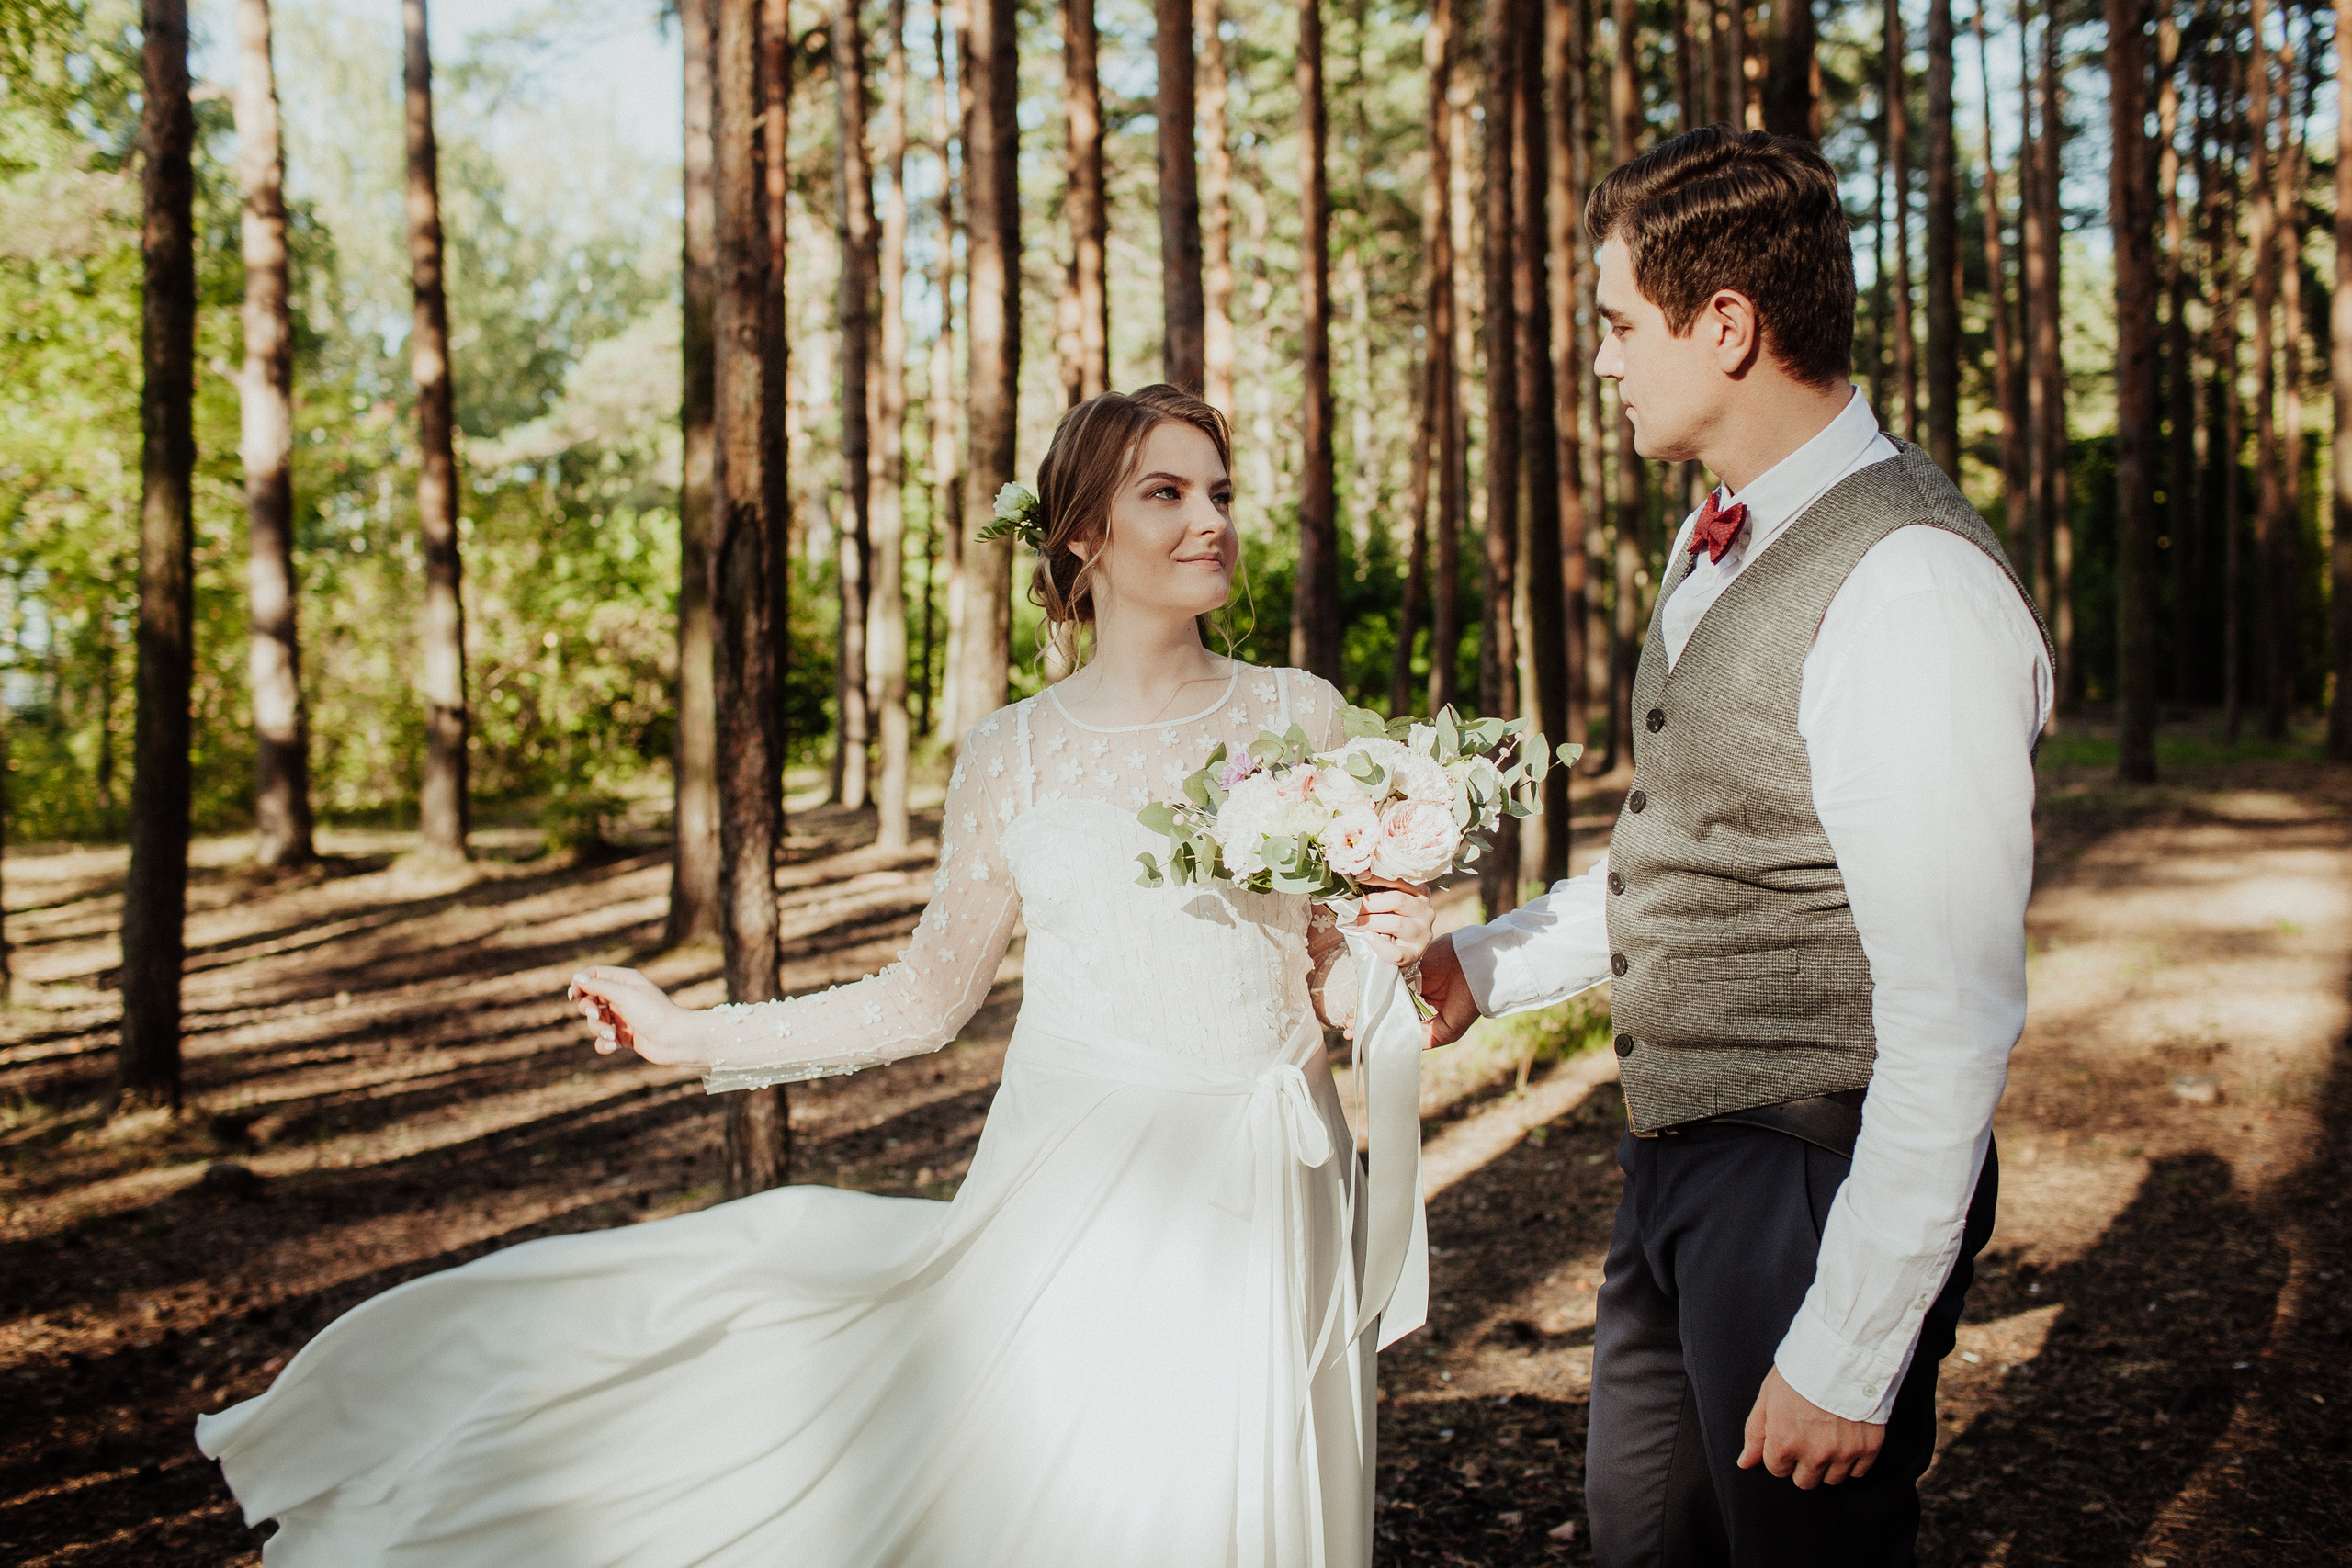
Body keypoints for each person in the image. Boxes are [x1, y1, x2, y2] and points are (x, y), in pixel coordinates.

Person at [196, 385, 1438, 1567]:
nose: (1211, 518)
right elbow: (925, 997)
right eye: (1166, 493)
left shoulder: (1299, 712)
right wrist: (693, 1039)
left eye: (1219, 488)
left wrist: (1381, 964)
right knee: (1087, 1496)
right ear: (1083, 534)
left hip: (1274, 1178)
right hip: (1079, 1187)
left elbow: (1326, 962)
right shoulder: (1014, 753)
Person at [1415, 128, 2052, 1566]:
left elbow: (1952, 1011)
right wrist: (1481, 962)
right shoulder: (1732, 538)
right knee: (1643, 1540)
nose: (1601, 361)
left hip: (1809, 1175)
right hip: (1682, 1171)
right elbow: (1700, 852)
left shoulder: (1910, 588)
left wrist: (1851, 1338)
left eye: (1618, 324)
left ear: (1727, 326)